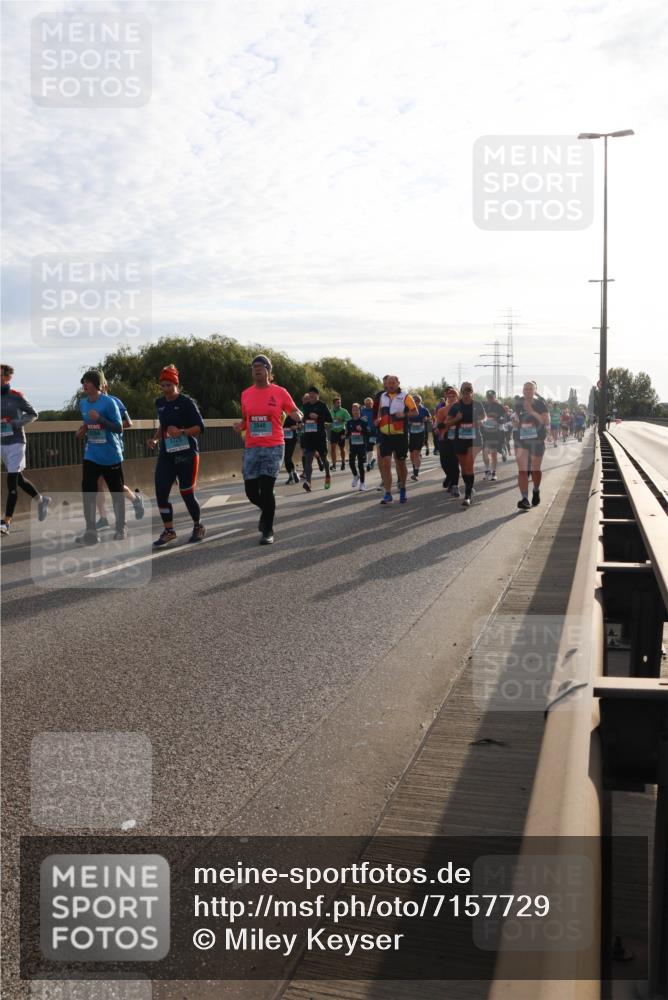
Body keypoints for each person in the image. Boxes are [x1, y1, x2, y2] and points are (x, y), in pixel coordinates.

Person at [235, 355, 302, 544]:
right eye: (253, 367)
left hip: (273, 445)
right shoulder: (246, 394)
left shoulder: (280, 392)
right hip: (252, 447)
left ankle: (268, 530)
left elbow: (294, 411)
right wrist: (239, 426)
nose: (256, 369)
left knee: (266, 488)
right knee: (251, 492)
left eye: (261, 366)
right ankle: (267, 509)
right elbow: (246, 420)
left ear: (268, 371)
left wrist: (297, 415)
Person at [148, 364, 206, 546]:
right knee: (160, 491)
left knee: (186, 492)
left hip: (187, 453)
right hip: (167, 454)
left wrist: (181, 432)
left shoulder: (186, 402)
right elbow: (163, 426)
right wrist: (156, 439)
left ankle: (198, 526)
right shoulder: (160, 403)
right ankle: (169, 530)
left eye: (169, 385)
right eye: (163, 385)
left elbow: (200, 428)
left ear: (176, 384)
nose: (165, 389)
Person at [76, 369, 126, 544]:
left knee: (117, 493)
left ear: (97, 384)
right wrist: (83, 430)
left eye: (88, 381)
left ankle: (120, 527)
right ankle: (91, 532)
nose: (85, 384)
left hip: (111, 455)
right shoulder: (83, 403)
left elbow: (119, 428)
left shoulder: (109, 403)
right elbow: (87, 424)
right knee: (88, 492)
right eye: (84, 381)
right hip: (92, 454)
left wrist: (100, 419)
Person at [0, 363, 50, 535]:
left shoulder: (16, 396)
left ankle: (6, 522)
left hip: (16, 443)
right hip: (2, 444)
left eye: (0, 375)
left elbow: (33, 414)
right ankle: (42, 500)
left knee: (11, 481)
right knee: (19, 479)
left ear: (8, 378)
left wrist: (16, 423)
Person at [94, 381, 145, 528]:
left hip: (113, 447)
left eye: (99, 385)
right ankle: (103, 519)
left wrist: (108, 424)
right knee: (97, 483)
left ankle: (135, 499)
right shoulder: (91, 403)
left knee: (115, 485)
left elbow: (129, 423)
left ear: (105, 387)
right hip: (97, 448)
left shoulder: (115, 401)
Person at [375, 375, 418, 505]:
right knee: (386, 463)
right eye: (389, 383)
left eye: (393, 383)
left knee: (400, 463)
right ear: (386, 385)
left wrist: (404, 414)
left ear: (398, 383)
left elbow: (415, 412)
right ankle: (387, 493)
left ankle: (403, 487)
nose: (391, 385)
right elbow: (379, 412)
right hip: (385, 435)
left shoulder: (405, 396)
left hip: (400, 435)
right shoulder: (382, 396)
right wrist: (378, 420)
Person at [441, 382, 485, 507]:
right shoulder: (456, 406)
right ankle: (469, 488)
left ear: (472, 392)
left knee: (469, 464)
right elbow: (447, 422)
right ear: (461, 392)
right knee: (464, 467)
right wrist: (457, 419)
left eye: (469, 391)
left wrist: (481, 421)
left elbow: (484, 417)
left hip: (475, 439)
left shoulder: (477, 404)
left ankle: (467, 496)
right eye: (464, 392)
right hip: (459, 439)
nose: (467, 394)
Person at [513, 381, 550, 510]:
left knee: (535, 469)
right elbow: (517, 419)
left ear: (535, 390)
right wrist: (515, 422)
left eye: (530, 389)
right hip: (521, 439)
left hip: (537, 440)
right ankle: (524, 499)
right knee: (522, 470)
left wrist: (532, 411)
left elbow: (546, 421)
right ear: (522, 390)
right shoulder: (518, 403)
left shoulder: (540, 404)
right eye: (525, 389)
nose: (527, 391)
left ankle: (536, 489)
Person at [300, 387, 332, 492]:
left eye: (313, 394)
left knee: (324, 458)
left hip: (320, 436)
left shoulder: (322, 405)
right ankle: (308, 482)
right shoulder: (306, 406)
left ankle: (327, 475)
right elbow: (304, 418)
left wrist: (318, 417)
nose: (311, 395)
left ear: (317, 395)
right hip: (309, 436)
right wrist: (305, 418)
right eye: (310, 394)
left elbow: (329, 419)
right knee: (308, 458)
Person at [436, 386, 461, 497]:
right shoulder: (442, 410)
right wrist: (439, 428)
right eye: (449, 396)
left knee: (454, 462)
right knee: (444, 461)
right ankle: (450, 477)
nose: (451, 397)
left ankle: (455, 485)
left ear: (458, 397)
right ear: (446, 397)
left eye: (454, 395)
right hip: (444, 437)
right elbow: (438, 425)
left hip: (458, 437)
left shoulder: (461, 408)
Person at [480, 389, 506, 482]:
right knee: (485, 452)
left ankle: (493, 473)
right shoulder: (482, 405)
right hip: (485, 433)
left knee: (494, 453)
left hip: (495, 433)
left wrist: (499, 421)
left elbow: (504, 417)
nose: (490, 399)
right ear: (486, 397)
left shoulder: (499, 406)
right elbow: (478, 415)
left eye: (491, 397)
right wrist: (481, 421)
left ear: (495, 397)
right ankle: (487, 470)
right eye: (488, 397)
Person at [346, 403, 370, 491]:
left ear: (360, 411)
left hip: (362, 446)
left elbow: (368, 433)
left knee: (360, 465)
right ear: (351, 411)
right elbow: (348, 434)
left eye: (357, 410)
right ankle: (356, 476)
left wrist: (362, 430)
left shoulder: (363, 421)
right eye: (353, 410)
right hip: (353, 446)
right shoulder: (349, 422)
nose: (355, 412)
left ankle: (362, 483)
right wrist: (344, 435)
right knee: (351, 463)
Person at [407, 394, 430, 481]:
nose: (416, 402)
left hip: (420, 434)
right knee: (412, 455)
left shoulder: (424, 409)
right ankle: (415, 467)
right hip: (411, 434)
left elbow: (429, 417)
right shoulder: (409, 408)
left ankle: (415, 473)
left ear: (420, 401)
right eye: (414, 400)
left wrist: (426, 419)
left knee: (416, 453)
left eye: (417, 401)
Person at [328, 396, 351, 472]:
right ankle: (334, 464)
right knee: (333, 448)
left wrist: (343, 419)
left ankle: (343, 462)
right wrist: (329, 423)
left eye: (340, 402)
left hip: (341, 430)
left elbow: (349, 419)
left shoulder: (344, 411)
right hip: (333, 431)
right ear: (334, 404)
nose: (339, 404)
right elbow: (326, 421)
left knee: (342, 447)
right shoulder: (330, 411)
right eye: (338, 403)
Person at [282, 413, 300, 484]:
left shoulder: (294, 414)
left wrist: (296, 427)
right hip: (282, 438)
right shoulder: (280, 414)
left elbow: (301, 424)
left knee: (287, 457)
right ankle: (294, 474)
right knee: (287, 457)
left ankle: (291, 476)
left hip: (291, 438)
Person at [360, 397, 376, 471]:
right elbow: (360, 420)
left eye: (369, 403)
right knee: (366, 447)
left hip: (373, 432)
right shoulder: (362, 411)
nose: (368, 405)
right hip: (365, 432)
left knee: (370, 446)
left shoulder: (375, 410)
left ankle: (368, 464)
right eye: (366, 404)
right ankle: (372, 460)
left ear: (372, 404)